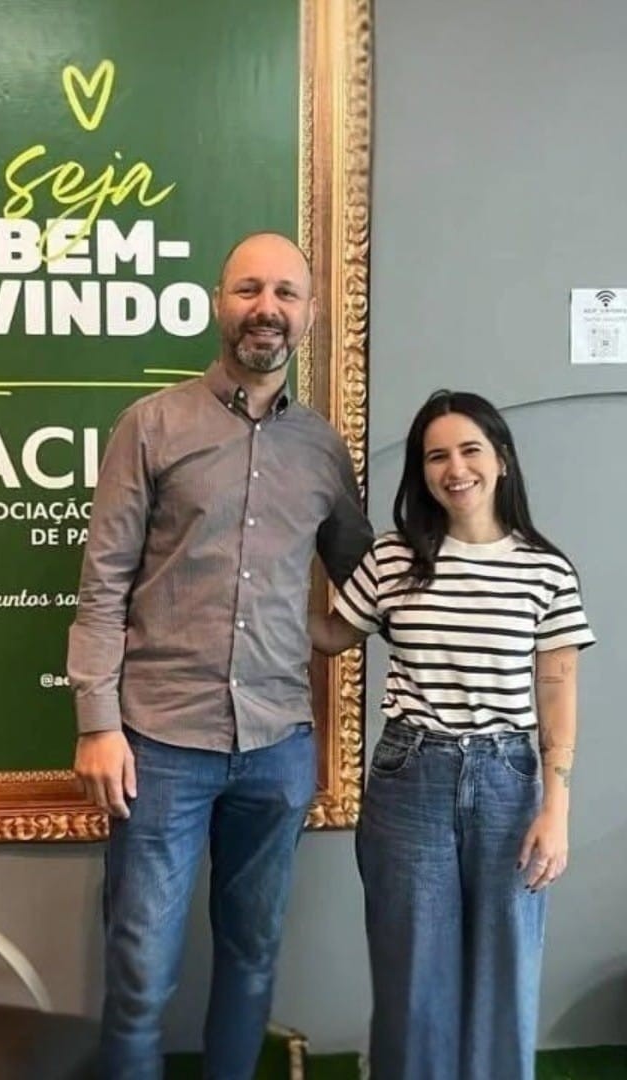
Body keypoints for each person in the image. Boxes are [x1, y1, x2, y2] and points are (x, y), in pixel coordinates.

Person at [67, 232, 374, 1080]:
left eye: (285, 293)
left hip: (278, 747)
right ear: (218, 303)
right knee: (139, 971)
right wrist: (97, 723)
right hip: (158, 746)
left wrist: (463, 551)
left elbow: (364, 576)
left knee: (252, 958)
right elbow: (102, 583)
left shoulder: (323, 450)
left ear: (308, 315)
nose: (265, 308)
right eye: (248, 289)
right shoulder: (152, 425)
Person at [311, 389, 595, 1080]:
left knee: (507, 967)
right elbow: (328, 635)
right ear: (422, 471)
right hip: (411, 779)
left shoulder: (546, 570)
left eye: (470, 450)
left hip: (509, 784)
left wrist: (556, 809)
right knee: (413, 977)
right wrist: (268, 570)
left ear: (501, 460)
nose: (455, 468)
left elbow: (557, 692)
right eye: (436, 456)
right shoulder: (393, 559)